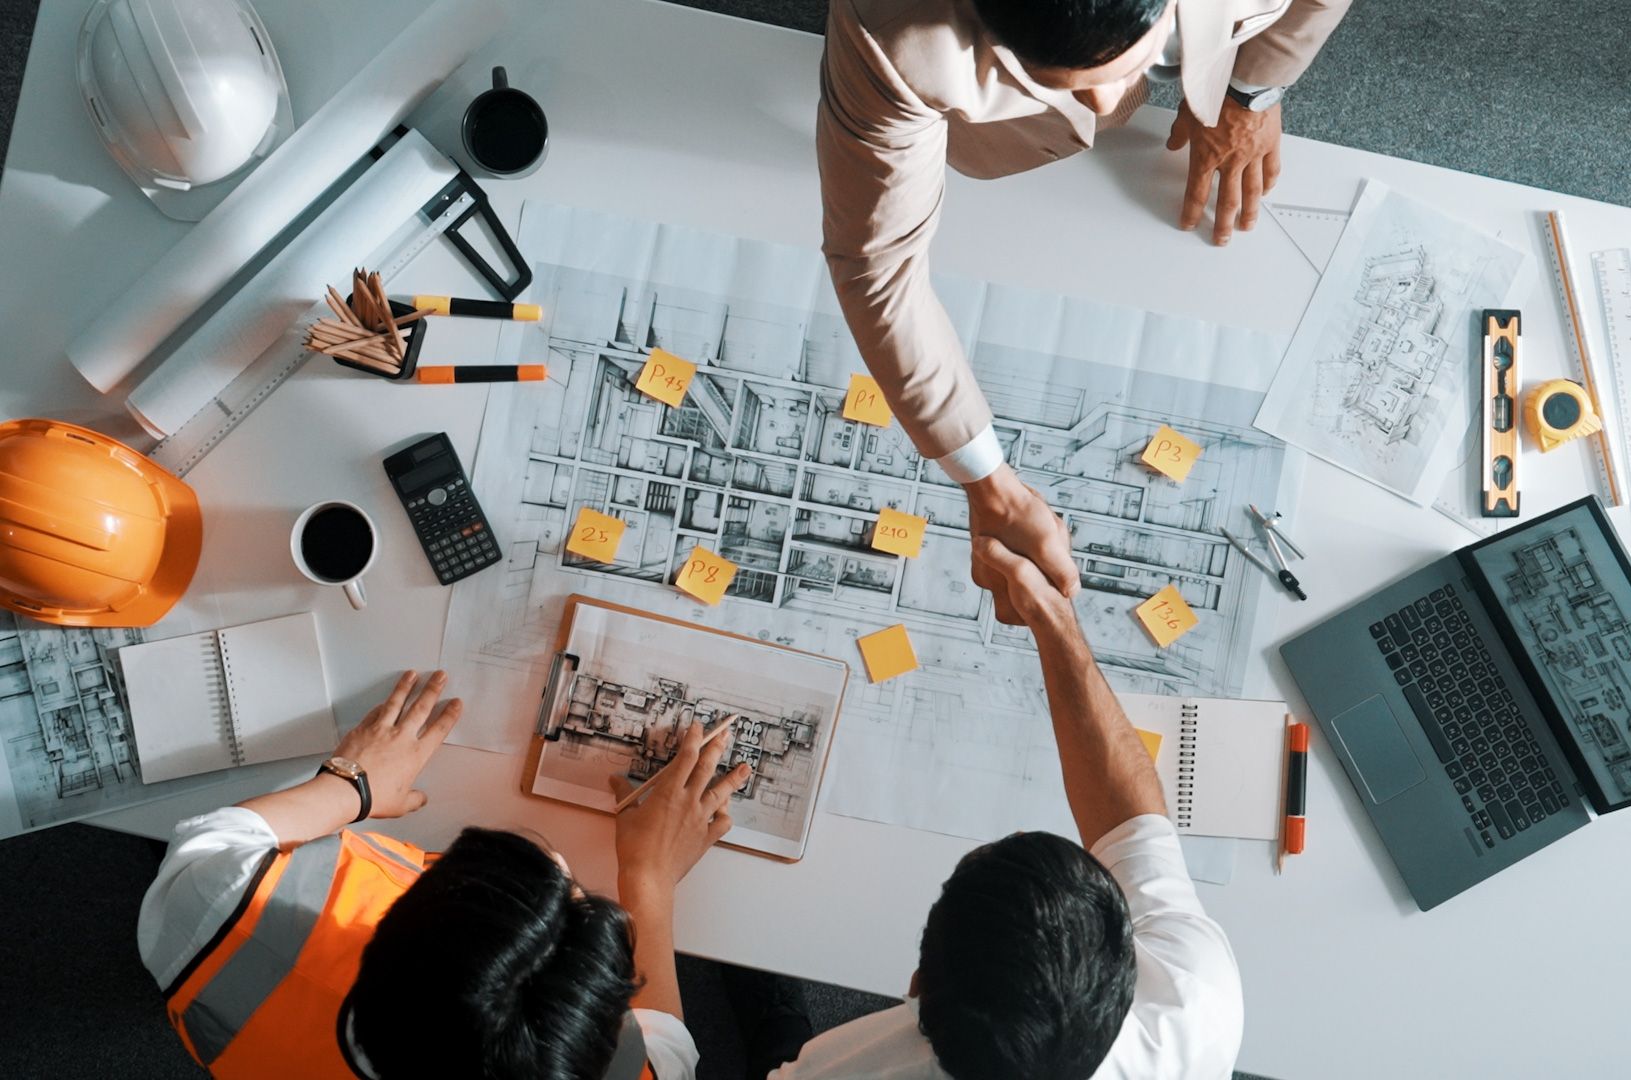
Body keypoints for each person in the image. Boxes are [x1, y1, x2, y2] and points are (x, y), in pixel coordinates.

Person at [818, 0, 1350, 626]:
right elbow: (876, 265)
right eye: (1057, 81)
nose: (1102, 107)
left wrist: (1249, 90)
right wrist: (992, 486)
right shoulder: (891, 35)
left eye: (1136, 61)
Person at [771, 536, 1244, 1079]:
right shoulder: (1196, 1003)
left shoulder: (848, 1071)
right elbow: (1133, 826)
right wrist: (1051, 619)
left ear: (916, 990)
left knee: (778, 1043)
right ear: (1125, 969)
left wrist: (648, 882)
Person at [138, 669, 748, 1079]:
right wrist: (649, 878)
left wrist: (350, 785)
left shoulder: (218, 916)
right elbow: (669, 1052)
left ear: (385, 935)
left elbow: (207, 850)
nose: (562, 866)